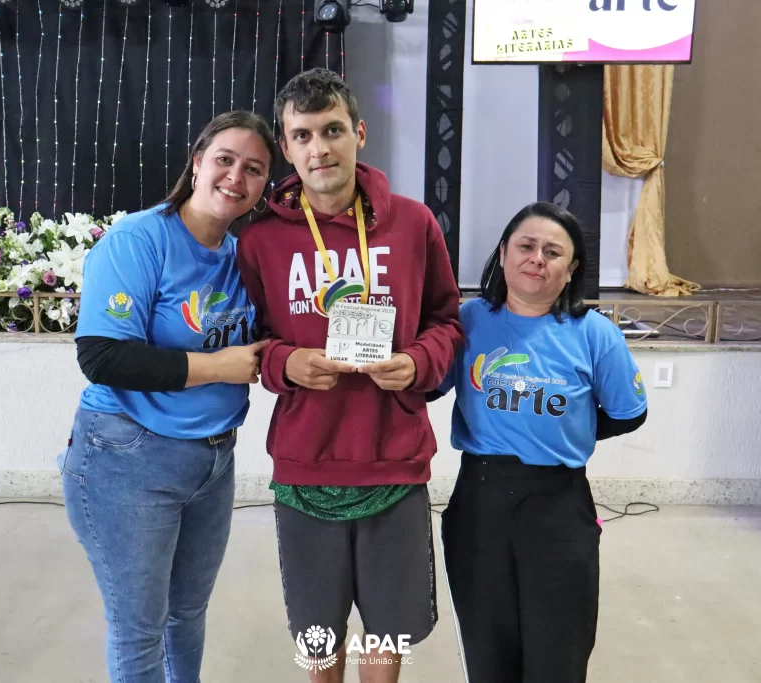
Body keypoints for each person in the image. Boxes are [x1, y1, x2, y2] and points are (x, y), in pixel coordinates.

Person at [236, 68, 464, 683]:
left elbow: (447, 322)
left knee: (387, 628)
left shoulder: (413, 224)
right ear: (286, 148)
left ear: (359, 133)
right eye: (303, 135)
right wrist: (285, 362)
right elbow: (247, 339)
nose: (320, 148)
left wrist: (419, 362)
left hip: (394, 457)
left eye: (333, 130)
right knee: (318, 631)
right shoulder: (260, 242)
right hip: (305, 460)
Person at [59, 110, 274, 683]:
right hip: (128, 458)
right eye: (225, 159)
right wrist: (219, 366)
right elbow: (103, 356)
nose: (236, 177)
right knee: (140, 629)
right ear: (197, 162)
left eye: (254, 169)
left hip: (213, 459)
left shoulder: (242, 257)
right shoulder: (139, 239)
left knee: (188, 613)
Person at [432, 202, 648, 683]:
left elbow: (628, 414)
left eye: (553, 252)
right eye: (526, 246)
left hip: (558, 505)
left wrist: (567, 431)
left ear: (570, 269)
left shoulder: (595, 334)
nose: (537, 258)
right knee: (488, 648)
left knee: (558, 650)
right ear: (503, 254)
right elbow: (428, 385)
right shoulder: (468, 321)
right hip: (480, 501)